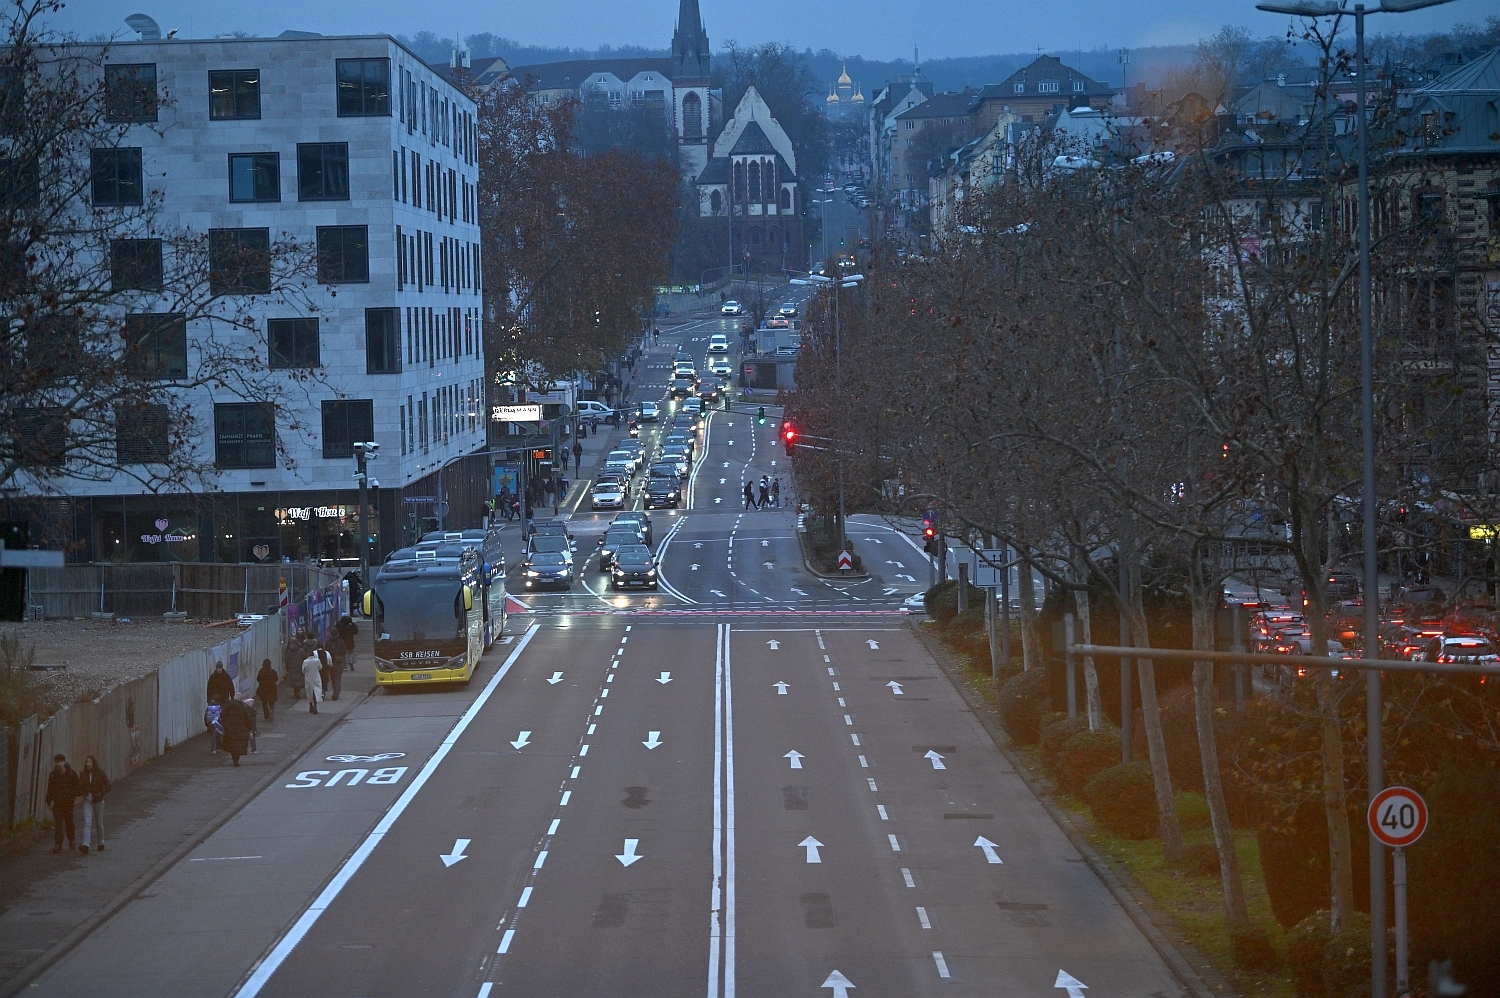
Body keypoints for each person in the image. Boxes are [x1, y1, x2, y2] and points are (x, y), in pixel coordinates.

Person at [45, 754, 79, 854]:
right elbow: (50, 788)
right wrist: (49, 801)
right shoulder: (53, 775)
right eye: (57, 762)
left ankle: (71, 840)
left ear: (64, 762)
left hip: (68, 803)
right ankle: (58, 844)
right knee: (58, 824)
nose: (59, 763)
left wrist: (71, 796)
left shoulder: (72, 774)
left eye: (61, 761)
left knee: (69, 822)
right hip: (57, 803)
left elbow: (77, 787)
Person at [78, 755, 109, 853]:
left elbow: (108, 785)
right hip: (88, 800)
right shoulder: (83, 774)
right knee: (87, 822)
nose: (88, 764)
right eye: (87, 761)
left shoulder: (100, 773)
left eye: (90, 761)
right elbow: (80, 786)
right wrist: (83, 793)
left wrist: (101, 794)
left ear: (94, 763)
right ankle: (86, 844)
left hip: (98, 800)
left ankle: (101, 842)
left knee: (99, 822)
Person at [219, 696, 253, 766]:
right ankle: (236, 759)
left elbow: (222, 715)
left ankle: (234, 758)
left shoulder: (228, 706)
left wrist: (225, 724)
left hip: (229, 728)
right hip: (241, 728)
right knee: (238, 744)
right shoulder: (243, 707)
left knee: (231, 743)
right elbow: (247, 719)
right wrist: (250, 728)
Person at [301, 644, 328, 715]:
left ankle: (310, 705)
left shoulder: (305, 661)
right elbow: (320, 667)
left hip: (308, 678)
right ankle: (315, 705)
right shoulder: (317, 660)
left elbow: (303, 670)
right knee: (316, 692)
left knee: (309, 692)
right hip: (316, 677)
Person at [285, 630, 308, 701]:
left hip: (292, 667)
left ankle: (295, 692)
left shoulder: (289, 651)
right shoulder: (301, 650)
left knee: (294, 679)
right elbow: (305, 657)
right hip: (300, 666)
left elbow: (287, 660)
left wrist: (287, 668)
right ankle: (298, 691)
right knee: (299, 679)